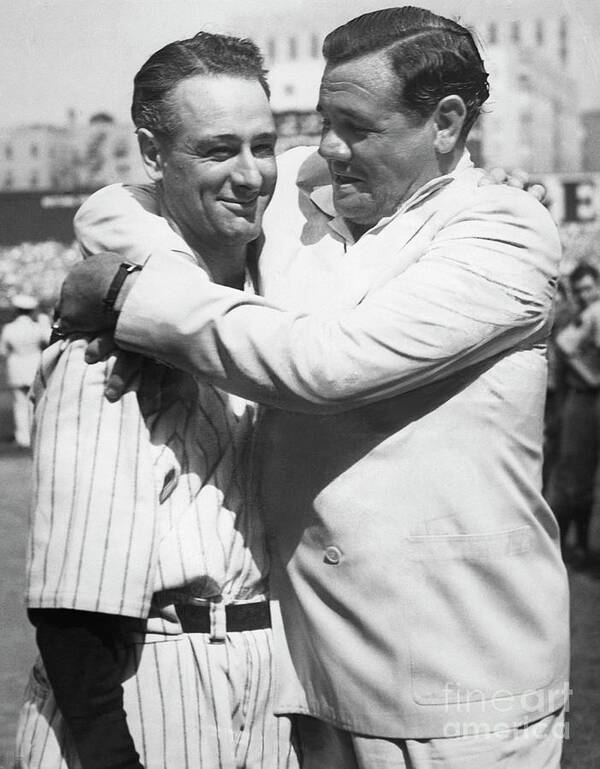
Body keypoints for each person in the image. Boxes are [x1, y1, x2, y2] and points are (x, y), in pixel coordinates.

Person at [59, 7, 569, 768]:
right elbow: (118, 204)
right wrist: (141, 264)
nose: (326, 147)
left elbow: (325, 366)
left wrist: (134, 294)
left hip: (463, 692)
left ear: (447, 122)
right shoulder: (306, 186)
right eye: (324, 120)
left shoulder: (504, 230)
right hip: (303, 688)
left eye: (356, 127)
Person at [16, 32, 298, 769]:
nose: (250, 174)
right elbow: (72, 601)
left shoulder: (271, 302)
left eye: (262, 145)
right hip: (151, 679)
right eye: (217, 149)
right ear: (152, 153)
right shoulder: (107, 347)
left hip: (266, 685)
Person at [550, 262, 600, 564]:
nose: (585, 294)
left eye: (589, 288)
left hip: (589, 398)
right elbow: (565, 345)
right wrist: (592, 377)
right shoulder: (589, 313)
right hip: (585, 397)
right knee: (575, 476)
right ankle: (570, 546)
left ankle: (579, 544)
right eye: (580, 290)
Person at [0, 294, 48, 448]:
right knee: (36, 401)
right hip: (35, 363)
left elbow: (3, 350)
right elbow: (48, 341)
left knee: (20, 402)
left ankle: (23, 437)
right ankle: (37, 434)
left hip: (17, 365)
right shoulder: (37, 327)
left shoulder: (9, 328)